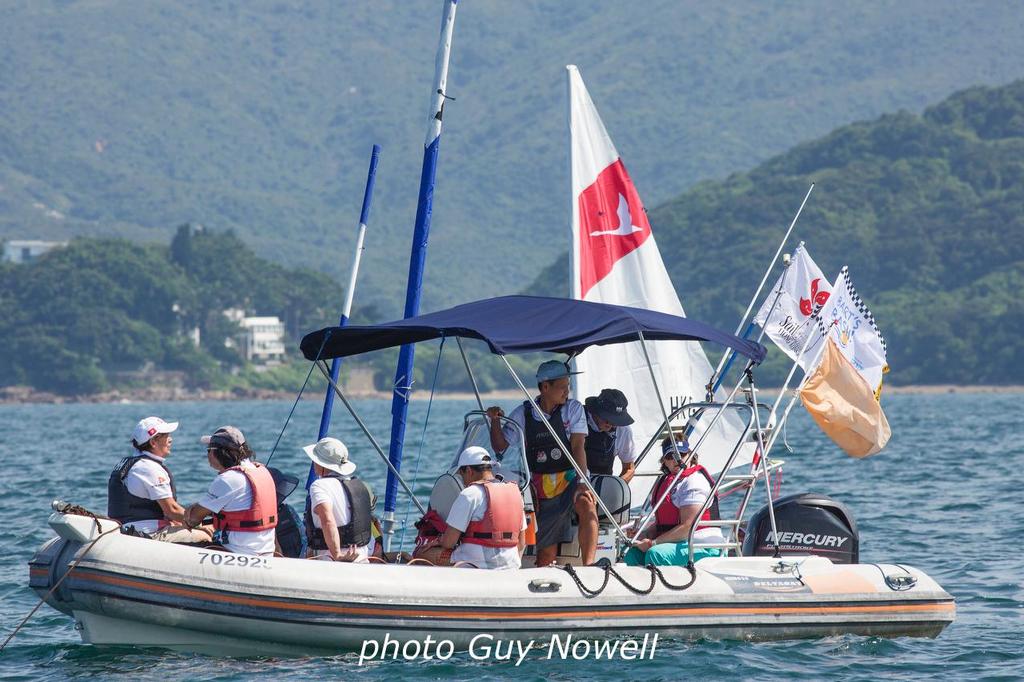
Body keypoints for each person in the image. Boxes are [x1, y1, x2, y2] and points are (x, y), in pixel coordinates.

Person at [487, 360, 598, 566]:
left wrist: (583, 481)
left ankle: (589, 565)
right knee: (546, 555)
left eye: (569, 386)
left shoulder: (573, 409)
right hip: (541, 487)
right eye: (563, 387)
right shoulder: (523, 413)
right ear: (545, 387)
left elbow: (578, 446)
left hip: (570, 477)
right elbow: (500, 447)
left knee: (586, 503)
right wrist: (494, 421)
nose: (567, 391)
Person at [107, 416, 212, 543]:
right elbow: (172, 510)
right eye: (166, 436)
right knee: (205, 536)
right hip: (145, 534)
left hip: (127, 529)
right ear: (153, 442)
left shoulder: (131, 463)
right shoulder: (149, 468)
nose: (170, 439)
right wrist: (199, 524)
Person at [625, 436, 725, 566]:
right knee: (632, 553)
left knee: (655, 554)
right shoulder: (669, 482)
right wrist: (641, 535)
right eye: (670, 456)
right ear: (664, 461)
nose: (677, 460)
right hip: (676, 543)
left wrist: (652, 543)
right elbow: (664, 523)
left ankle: (661, 585)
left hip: (703, 546)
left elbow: (687, 527)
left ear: (690, 454)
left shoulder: (695, 481)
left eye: (681, 454)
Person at [184, 426, 277, 556]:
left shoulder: (227, 479)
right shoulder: (262, 471)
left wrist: (192, 510)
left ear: (219, 452)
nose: (208, 454)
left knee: (178, 545)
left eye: (209, 450)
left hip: (238, 553)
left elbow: (193, 518)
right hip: (266, 551)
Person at [438, 446, 527, 569]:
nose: (463, 481)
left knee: (424, 553)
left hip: (478, 564)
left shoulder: (470, 494)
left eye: (461, 475)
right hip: (510, 564)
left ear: (469, 470)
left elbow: (449, 542)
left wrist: (438, 540)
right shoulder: (515, 493)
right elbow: (521, 543)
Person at [302, 437, 375, 562]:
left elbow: (327, 520)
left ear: (321, 463)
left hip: (332, 560)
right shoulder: (357, 484)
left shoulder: (319, 485)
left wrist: (337, 555)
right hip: (362, 558)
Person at [583, 388, 637, 482]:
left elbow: (629, 468)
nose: (610, 423)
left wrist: (616, 487)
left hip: (602, 486)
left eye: (615, 420)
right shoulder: (579, 418)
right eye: (607, 418)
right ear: (596, 411)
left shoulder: (623, 430)